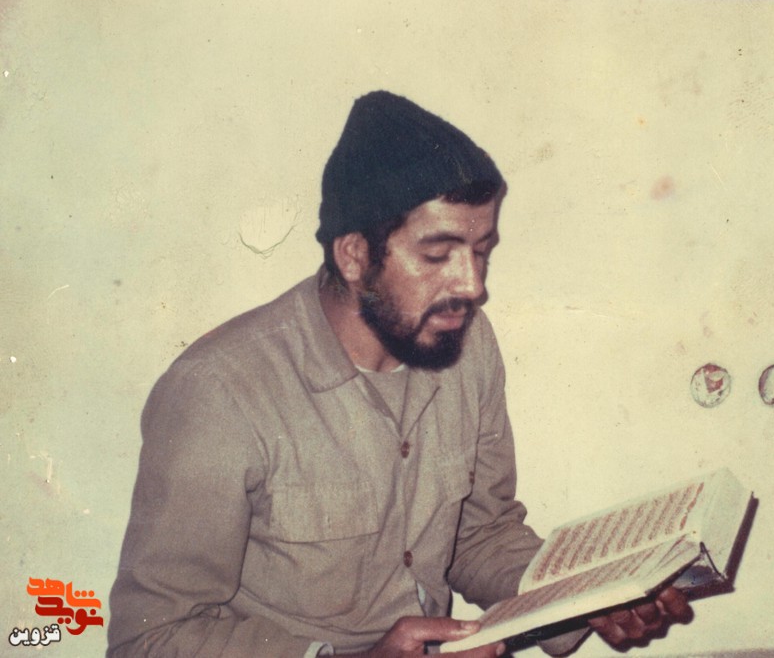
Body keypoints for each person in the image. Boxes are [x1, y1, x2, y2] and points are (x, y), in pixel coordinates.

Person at [107, 90, 691, 657]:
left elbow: (479, 535)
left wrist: (585, 598)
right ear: (354, 256)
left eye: (481, 251)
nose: (472, 286)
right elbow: (150, 639)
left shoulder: (466, 344)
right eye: (437, 255)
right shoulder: (220, 391)